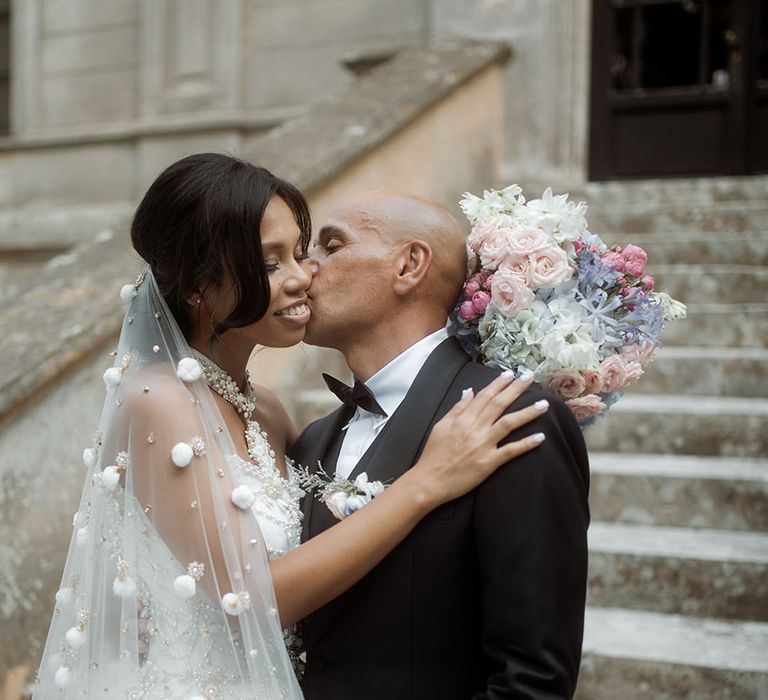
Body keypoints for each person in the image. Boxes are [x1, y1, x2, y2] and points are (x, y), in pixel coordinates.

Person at [32, 154, 549, 699]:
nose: (304, 277)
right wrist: (425, 483)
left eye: (300, 254)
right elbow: (245, 597)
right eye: (271, 262)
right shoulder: (155, 400)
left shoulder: (272, 413)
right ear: (197, 288)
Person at [293, 191, 590, 699]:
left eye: (330, 246)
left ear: (409, 265)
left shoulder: (512, 417)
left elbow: (531, 683)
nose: (303, 272)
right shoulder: (312, 439)